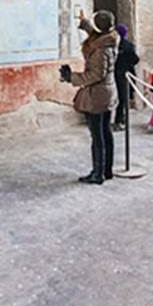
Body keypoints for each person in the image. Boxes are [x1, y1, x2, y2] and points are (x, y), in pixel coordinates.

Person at [60, 10, 118, 184]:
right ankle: (107, 170)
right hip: (107, 92)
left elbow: (95, 75)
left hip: (97, 95)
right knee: (106, 132)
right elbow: (96, 35)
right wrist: (85, 23)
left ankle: (98, 174)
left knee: (98, 135)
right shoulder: (110, 39)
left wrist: (71, 77)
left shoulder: (101, 51)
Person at [112, 24, 140, 131]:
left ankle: (120, 118)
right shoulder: (128, 45)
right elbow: (136, 59)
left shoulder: (111, 45)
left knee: (118, 98)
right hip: (124, 74)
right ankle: (119, 120)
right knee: (122, 99)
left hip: (114, 73)